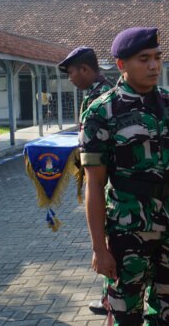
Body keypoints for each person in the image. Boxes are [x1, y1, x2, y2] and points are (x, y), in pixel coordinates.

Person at [80, 27, 169, 325]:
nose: (153, 65)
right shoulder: (101, 112)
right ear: (121, 64)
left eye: (157, 58)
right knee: (126, 316)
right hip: (127, 230)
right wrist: (99, 248)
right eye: (144, 59)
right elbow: (94, 184)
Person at [58, 46, 114, 315]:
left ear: (85, 70)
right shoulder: (109, 89)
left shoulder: (97, 99)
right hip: (110, 177)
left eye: (71, 72)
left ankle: (112, 299)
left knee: (110, 241)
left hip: (106, 181)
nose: (70, 78)